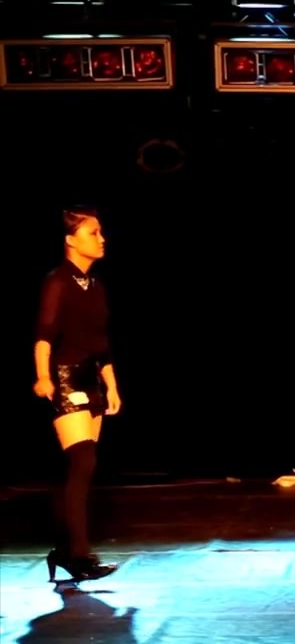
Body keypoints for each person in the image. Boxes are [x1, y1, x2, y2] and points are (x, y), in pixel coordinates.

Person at [33, 207, 120, 582]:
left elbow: (101, 344)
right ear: (71, 239)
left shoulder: (95, 285)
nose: (101, 239)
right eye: (93, 233)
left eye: (101, 232)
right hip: (66, 378)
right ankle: (78, 555)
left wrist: (112, 384)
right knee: (83, 461)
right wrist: (43, 377)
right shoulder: (57, 281)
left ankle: (65, 550)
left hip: (92, 379)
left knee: (81, 469)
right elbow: (44, 335)